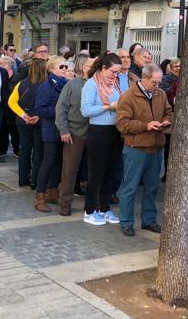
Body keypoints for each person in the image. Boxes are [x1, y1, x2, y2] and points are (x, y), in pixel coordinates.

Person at [115, 63, 173, 236]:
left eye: (159, 82)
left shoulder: (160, 94)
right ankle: (126, 222)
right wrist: (146, 125)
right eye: (154, 82)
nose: (157, 85)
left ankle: (149, 220)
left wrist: (167, 121)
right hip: (136, 148)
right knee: (130, 187)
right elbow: (122, 124)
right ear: (144, 78)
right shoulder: (128, 96)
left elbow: (169, 112)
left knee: (152, 187)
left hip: (156, 147)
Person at [80, 53, 123, 226]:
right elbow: (86, 110)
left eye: (118, 72)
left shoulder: (115, 83)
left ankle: (104, 209)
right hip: (98, 131)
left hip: (115, 131)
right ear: (104, 68)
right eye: (113, 71)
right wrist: (108, 106)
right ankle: (90, 210)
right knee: (96, 173)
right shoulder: (91, 84)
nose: (115, 75)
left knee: (110, 172)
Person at [56, 55, 93, 215]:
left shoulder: (99, 84)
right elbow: (61, 108)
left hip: (94, 134)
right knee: (69, 171)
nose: (95, 68)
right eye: (91, 65)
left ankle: (92, 205)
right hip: (74, 133)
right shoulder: (72, 85)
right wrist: (64, 130)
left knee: (93, 171)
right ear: (83, 67)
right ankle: (65, 204)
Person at [30, 56, 68, 212]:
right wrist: (60, 109)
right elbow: (39, 109)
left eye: (66, 66)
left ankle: (53, 191)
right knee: (48, 161)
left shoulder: (65, 84)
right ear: (51, 69)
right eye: (61, 67)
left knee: (59, 161)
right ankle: (40, 196)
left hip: (64, 129)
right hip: (50, 129)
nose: (65, 69)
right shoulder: (46, 86)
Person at [8, 58, 46, 189]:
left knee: (24, 149)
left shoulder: (21, 83)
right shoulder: (46, 85)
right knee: (38, 151)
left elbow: (11, 102)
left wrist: (23, 115)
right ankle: (35, 181)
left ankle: (22, 178)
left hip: (23, 120)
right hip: (39, 120)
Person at [0, 55, 20, 158]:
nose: (1, 66)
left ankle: (16, 150)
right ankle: (2, 150)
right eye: (0, 64)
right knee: (2, 130)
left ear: (9, 65)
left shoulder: (17, 76)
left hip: (13, 107)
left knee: (14, 130)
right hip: (2, 106)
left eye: (4, 64)